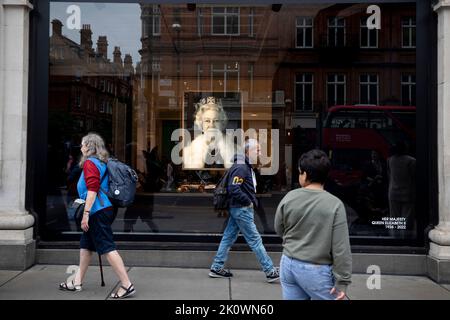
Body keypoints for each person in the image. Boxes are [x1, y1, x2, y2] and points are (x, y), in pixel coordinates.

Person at [59, 133, 135, 299]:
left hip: (97, 211)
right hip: (102, 209)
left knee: (107, 247)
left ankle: (127, 285)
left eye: (83, 145)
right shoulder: (101, 162)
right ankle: (77, 282)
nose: (81, 147)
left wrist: (86, 215)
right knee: (86, 245)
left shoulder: (90, 164)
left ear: (89, 146)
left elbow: (92, 190)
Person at [274, 149, 352, 300]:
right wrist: (342, 281)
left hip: (288, 263)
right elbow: (341, 248)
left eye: (299, 172)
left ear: (305, 174)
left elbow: (279, 228)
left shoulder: (290, 197)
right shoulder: (335, 204)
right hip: (317, 269)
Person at [209, 139, 280, 283]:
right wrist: (247, 201)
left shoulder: (244, 165)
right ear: (248, 151)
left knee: (228, 237)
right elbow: (233, 188)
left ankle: (216, 267)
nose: (260, 153)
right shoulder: (241, 167)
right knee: (255, 240)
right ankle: (270, 271)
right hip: (241, 209)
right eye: (258, 150)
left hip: (238, 209)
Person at [183, 97, 239, 169]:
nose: (211, 125)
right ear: (201, 124)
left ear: (222, 123)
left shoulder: (236, 150)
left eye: (216, 121)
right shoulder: (188, 151)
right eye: (207, 121)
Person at [387, 141, 416, 235]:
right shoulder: (411, 160)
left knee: (394, 217)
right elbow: (414, 177)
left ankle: (395, 237)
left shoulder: (390, 160)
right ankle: (405, 238)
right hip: (408, 192)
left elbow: (389, 175)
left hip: (393, 192)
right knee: (407, 217)